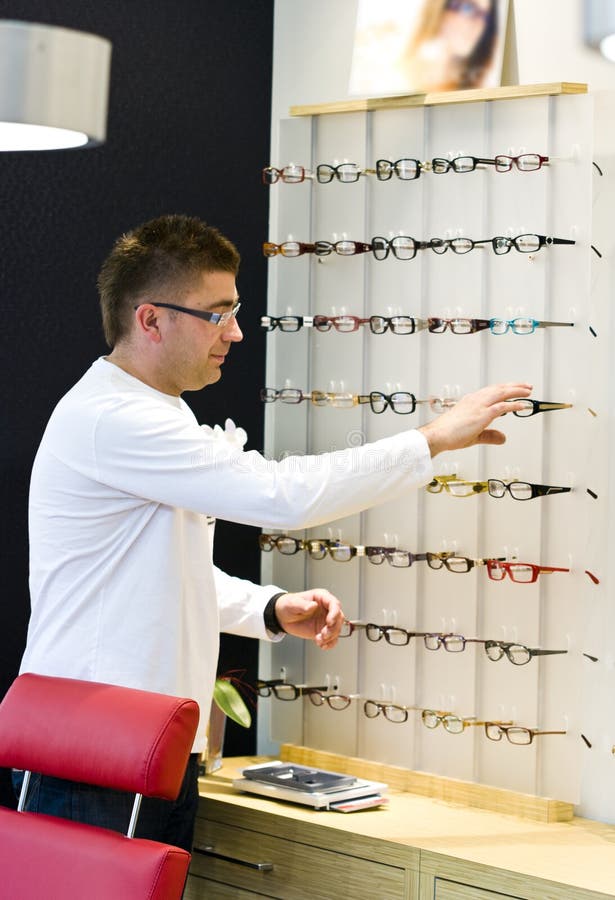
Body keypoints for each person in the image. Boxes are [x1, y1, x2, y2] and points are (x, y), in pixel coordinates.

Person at [15, 213, 531, 853]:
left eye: (236, 310)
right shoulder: (114, 419)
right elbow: (282, 494)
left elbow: (159, 571)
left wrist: (268, 607)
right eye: (216, 313)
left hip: (147, 741)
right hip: (98, 744)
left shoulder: (156, 411)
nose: (234, 331)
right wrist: (431, 439)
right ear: (150, 319)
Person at [400, 0, 499, 92]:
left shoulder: (479, 89)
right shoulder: (402, 77)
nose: (478, 24)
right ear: (440, 7)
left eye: (484, 16)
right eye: (468, 8)